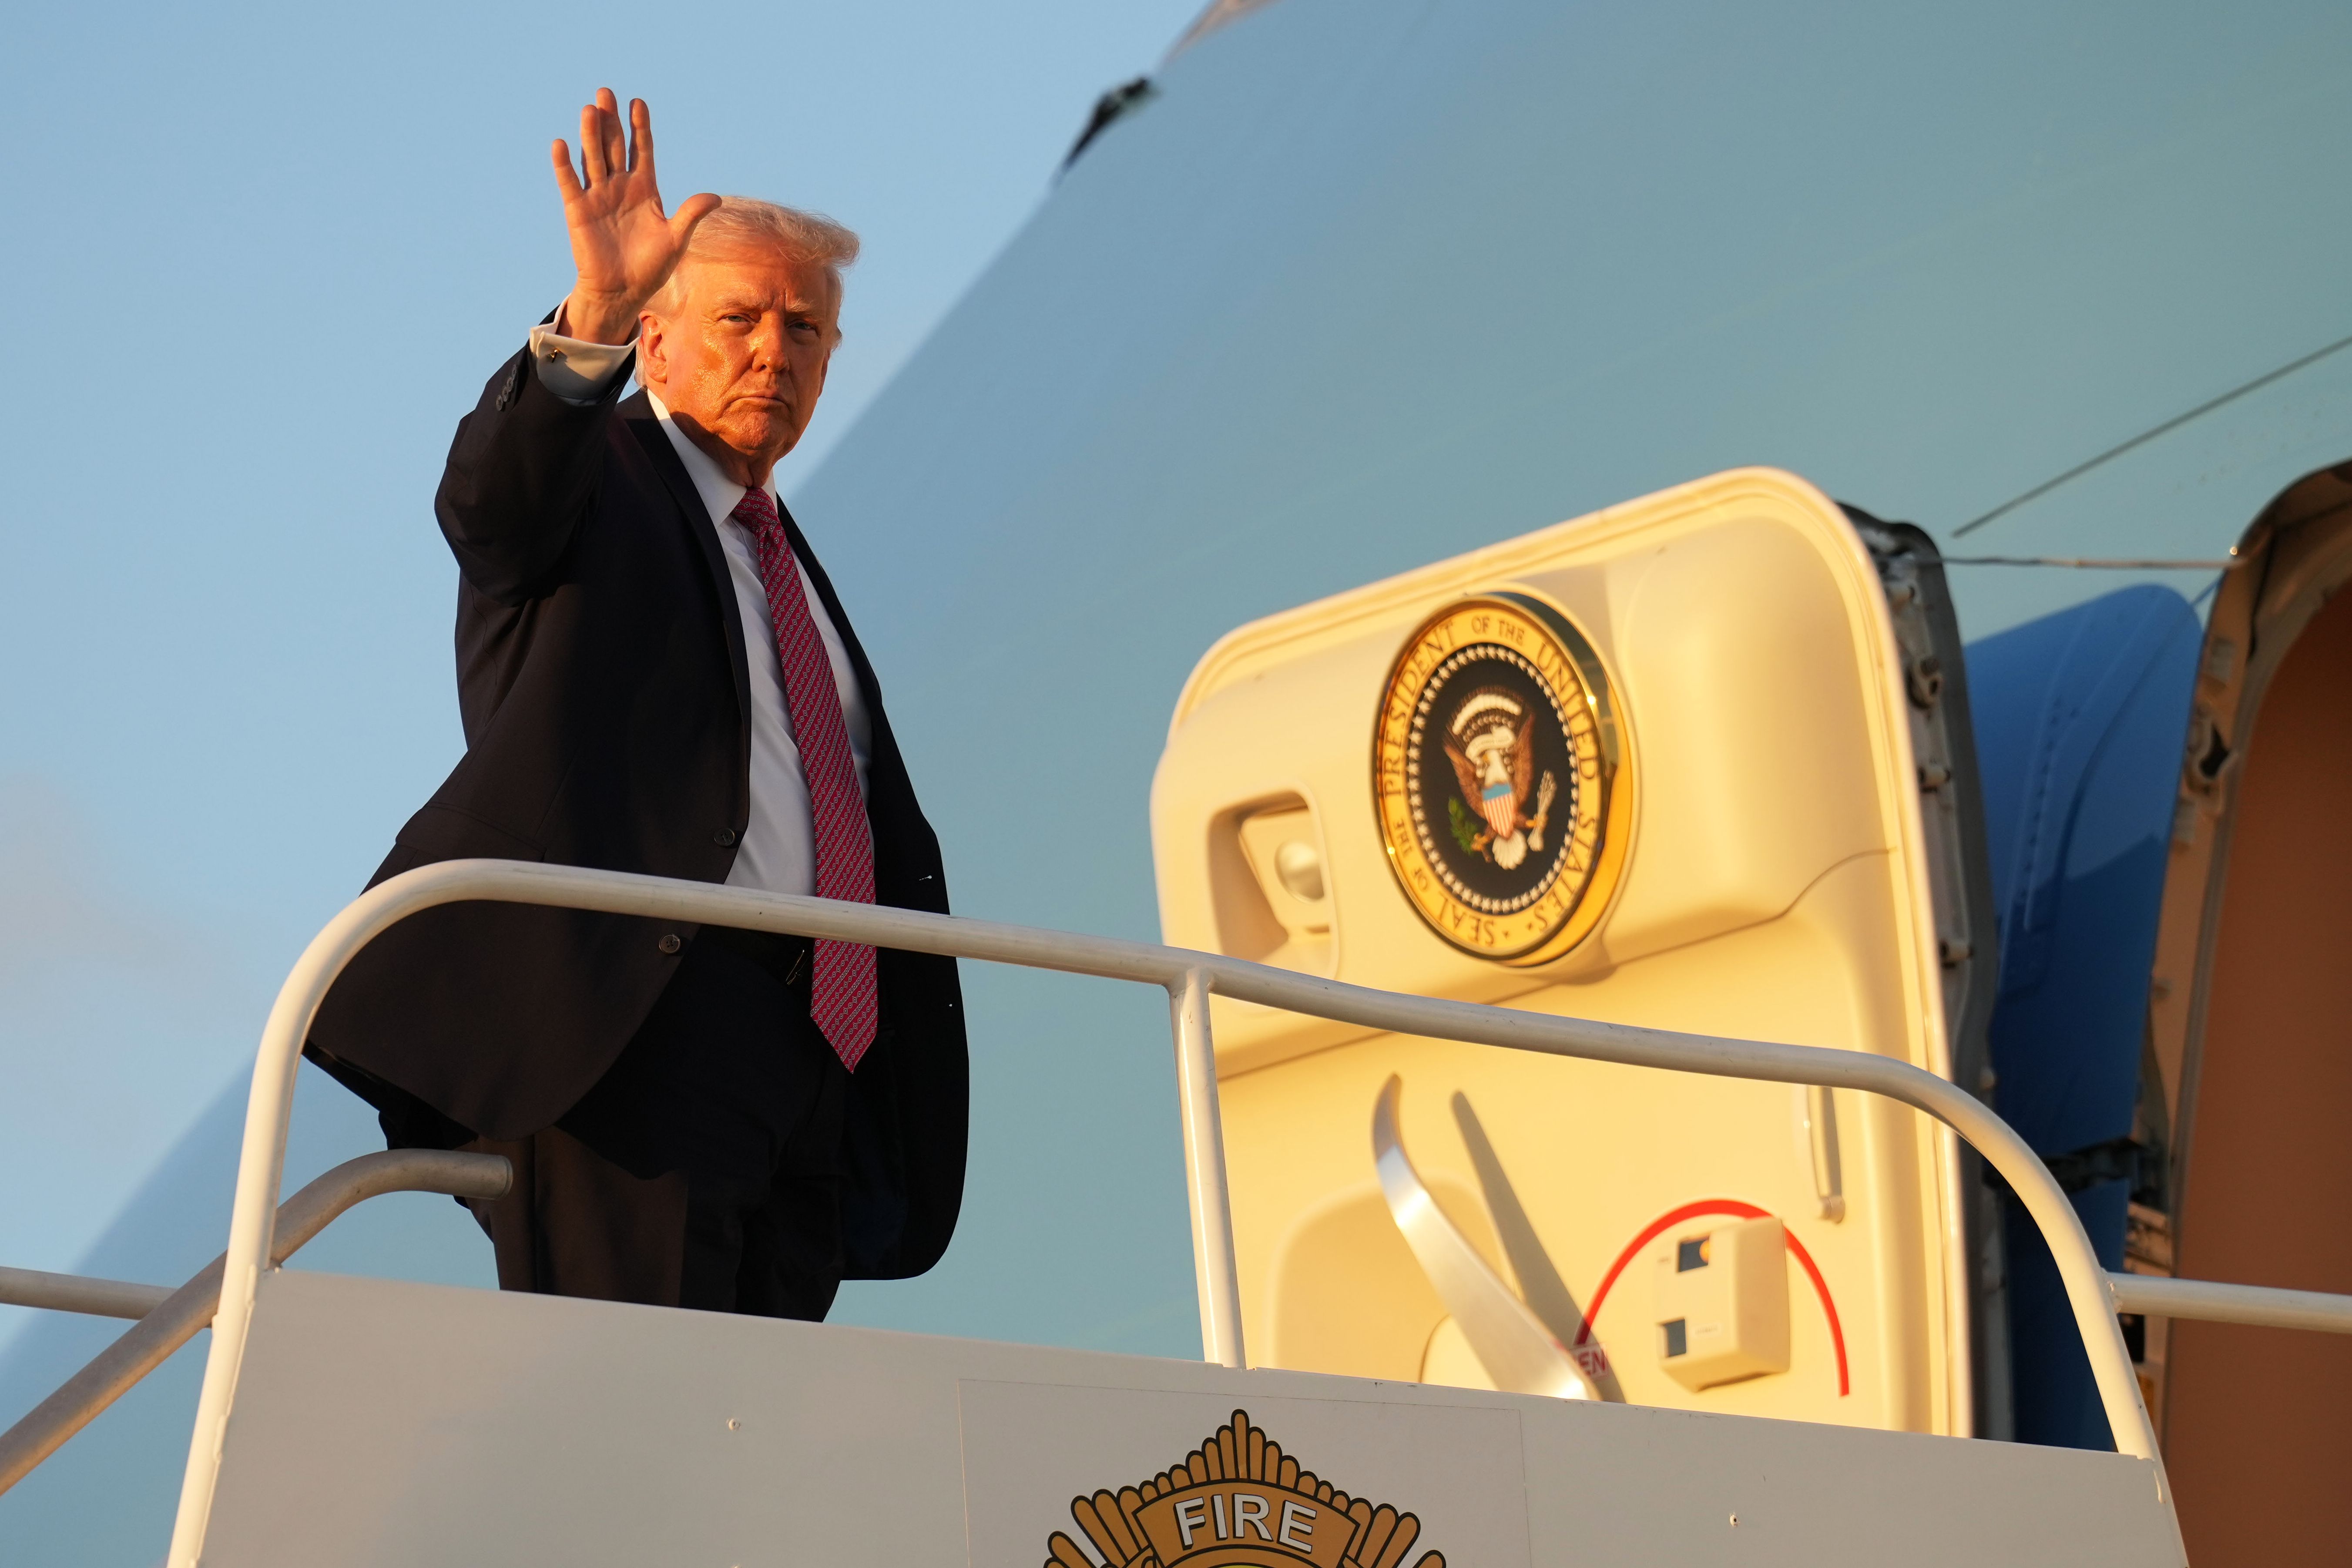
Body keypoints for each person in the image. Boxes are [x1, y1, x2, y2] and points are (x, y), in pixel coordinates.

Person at [305, 90, 967, 1319]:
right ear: (655, 345)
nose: (774, 351)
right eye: (739, 319)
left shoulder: (786, 560)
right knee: (632, 1402)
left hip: (810, 1052)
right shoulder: (599, 482)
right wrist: (591, 319)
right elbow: (493, 502)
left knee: (760, 1419)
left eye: (806, 328)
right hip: (638, 1028)